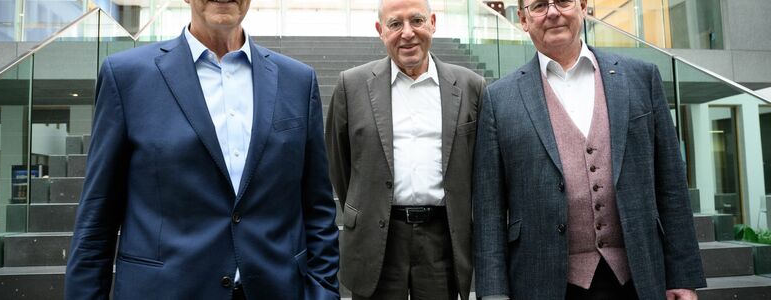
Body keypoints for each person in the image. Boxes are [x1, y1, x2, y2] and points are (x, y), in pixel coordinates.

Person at [64, 0, 339, 299]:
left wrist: (323, 291)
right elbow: (98, 214)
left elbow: (317, 208)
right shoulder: (127, 77)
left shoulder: (297, 81)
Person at [473, 0, 705, 299]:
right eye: (540, 5)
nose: (553, 12)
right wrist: (493, 293)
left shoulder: (641, 78)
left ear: (582, 6)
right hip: (541, 281)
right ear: (523, 19)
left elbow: (671, 185)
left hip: (637, 277)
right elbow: (489, 209)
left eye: (563, 2)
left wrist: (682, 277)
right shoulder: (498, 99)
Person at [326, 0, 485, 299]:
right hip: (377, 240)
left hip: (442, 241)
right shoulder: (351, 85)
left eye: (416, 21)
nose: (407, 33)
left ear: (433, 23)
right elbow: (340, 164)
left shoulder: (470, 86)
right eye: (395, 24)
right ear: (380, 30)